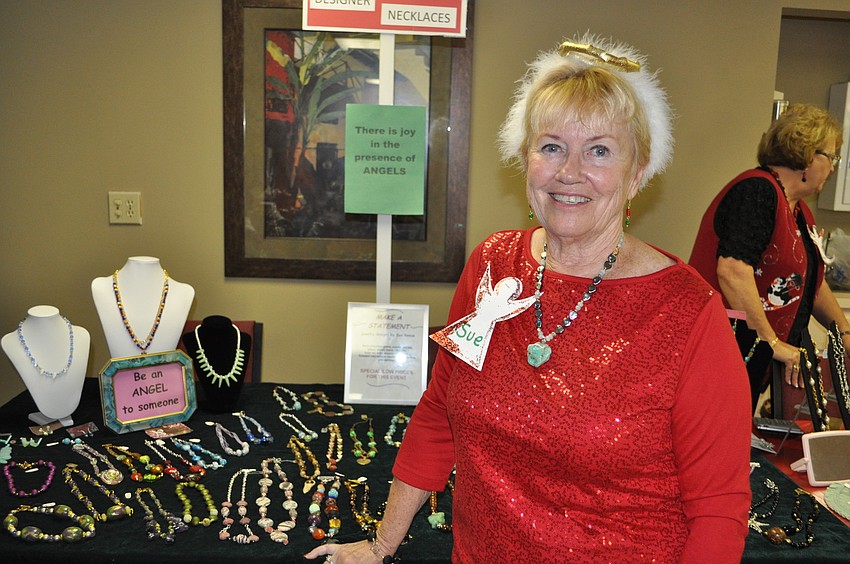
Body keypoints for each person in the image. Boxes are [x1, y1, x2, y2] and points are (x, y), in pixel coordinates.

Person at [307, 34, 751, 563]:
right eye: (552, 146)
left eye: (599, 151)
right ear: (525, 159)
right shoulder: (492, 264)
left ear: (637, 175)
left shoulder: (685, 310)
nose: (570, 172)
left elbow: (719, 508)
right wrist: (380, 546)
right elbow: (439, 414)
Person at [689, 103, 850, 416]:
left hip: (752, 354)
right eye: (831, 157)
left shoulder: (799, 212)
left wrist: (844, 332)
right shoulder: (757, 191)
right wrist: (773, 343)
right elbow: (733, 271)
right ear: (807, 156)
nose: (832, 168)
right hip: (721, 351)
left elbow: (810, 285)